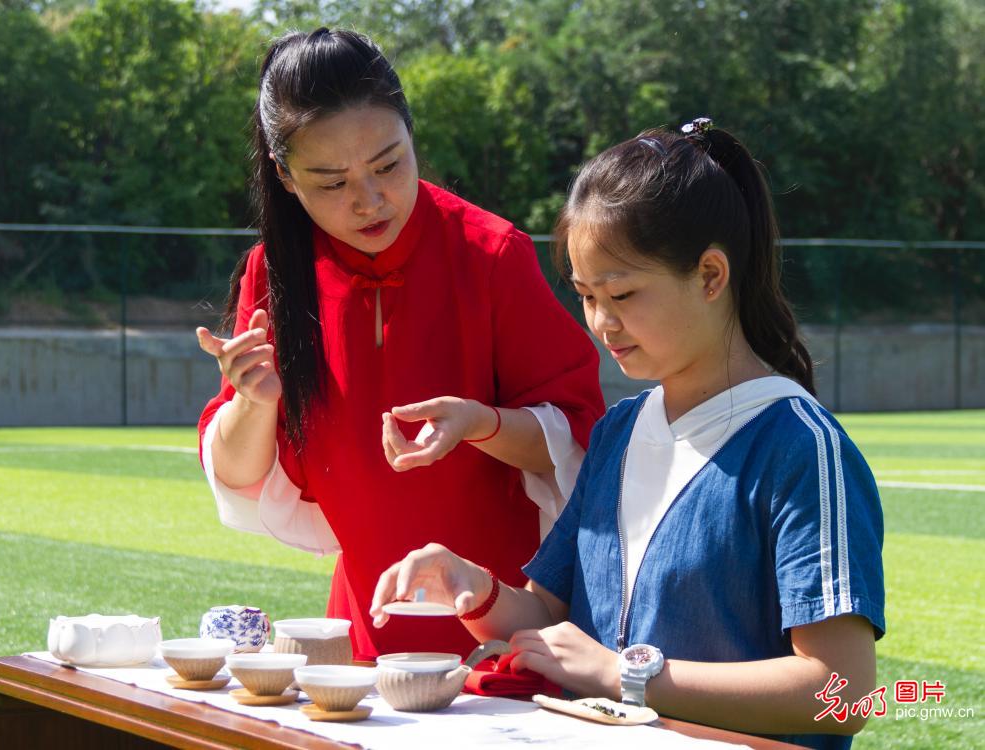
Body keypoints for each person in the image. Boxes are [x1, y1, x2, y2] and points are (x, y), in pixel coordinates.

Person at [371, 119, 884, 749]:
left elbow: (846, 692)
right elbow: (549, 623)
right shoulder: (619, 430)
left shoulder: (801, 447)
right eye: (586, 296)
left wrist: (627, 675)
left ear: (711, 276)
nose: (601, 323)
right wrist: (473, 589)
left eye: (623, 293)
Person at [195, 28, 605, 662]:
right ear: (285, 177)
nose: (369, 200)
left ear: (413, 136)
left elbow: (580, 443)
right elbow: (239, 477)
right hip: (359, 635)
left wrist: (481, 424)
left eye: (389, 164)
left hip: (505, 624)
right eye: (331, 182)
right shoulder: (272, 272)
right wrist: (254, 402)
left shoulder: (490, 254)